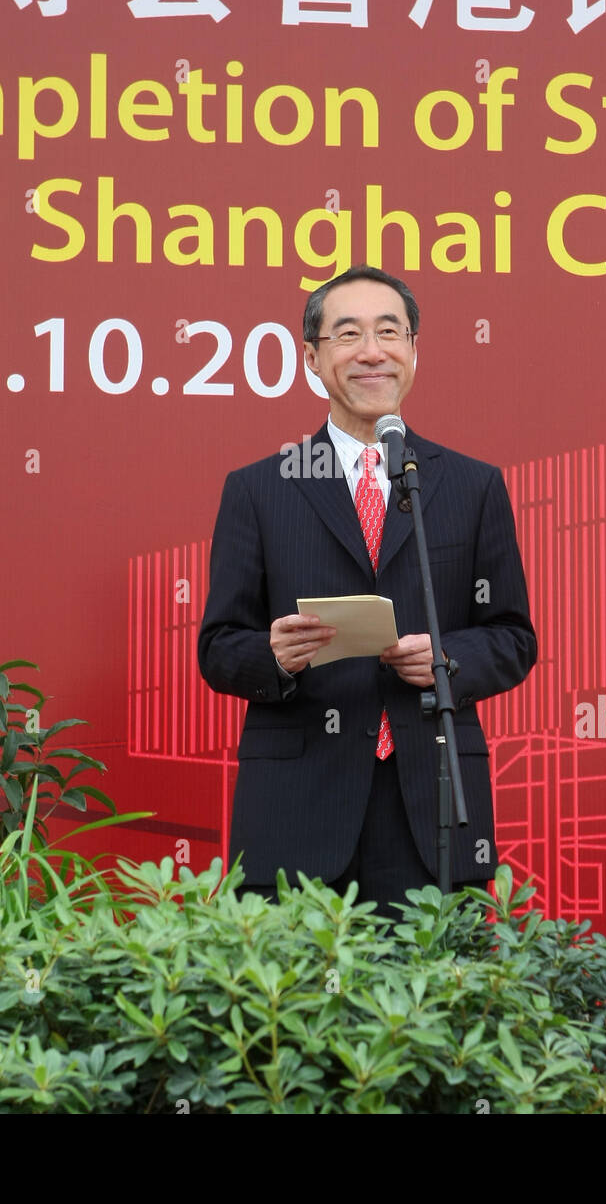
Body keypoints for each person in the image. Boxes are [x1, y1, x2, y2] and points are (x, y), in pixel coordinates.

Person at [197, 265, 537, 915]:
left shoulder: (471, 487)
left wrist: (445, 660)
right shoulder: (259, 489)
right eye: (347, 334)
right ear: (312, 359)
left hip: (432, 807)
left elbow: (512, 637)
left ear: (413, 350)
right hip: (295, 811)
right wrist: (273, 655)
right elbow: (218, 647)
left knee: (434, 1006)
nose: (371, 350)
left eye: (389, 331)